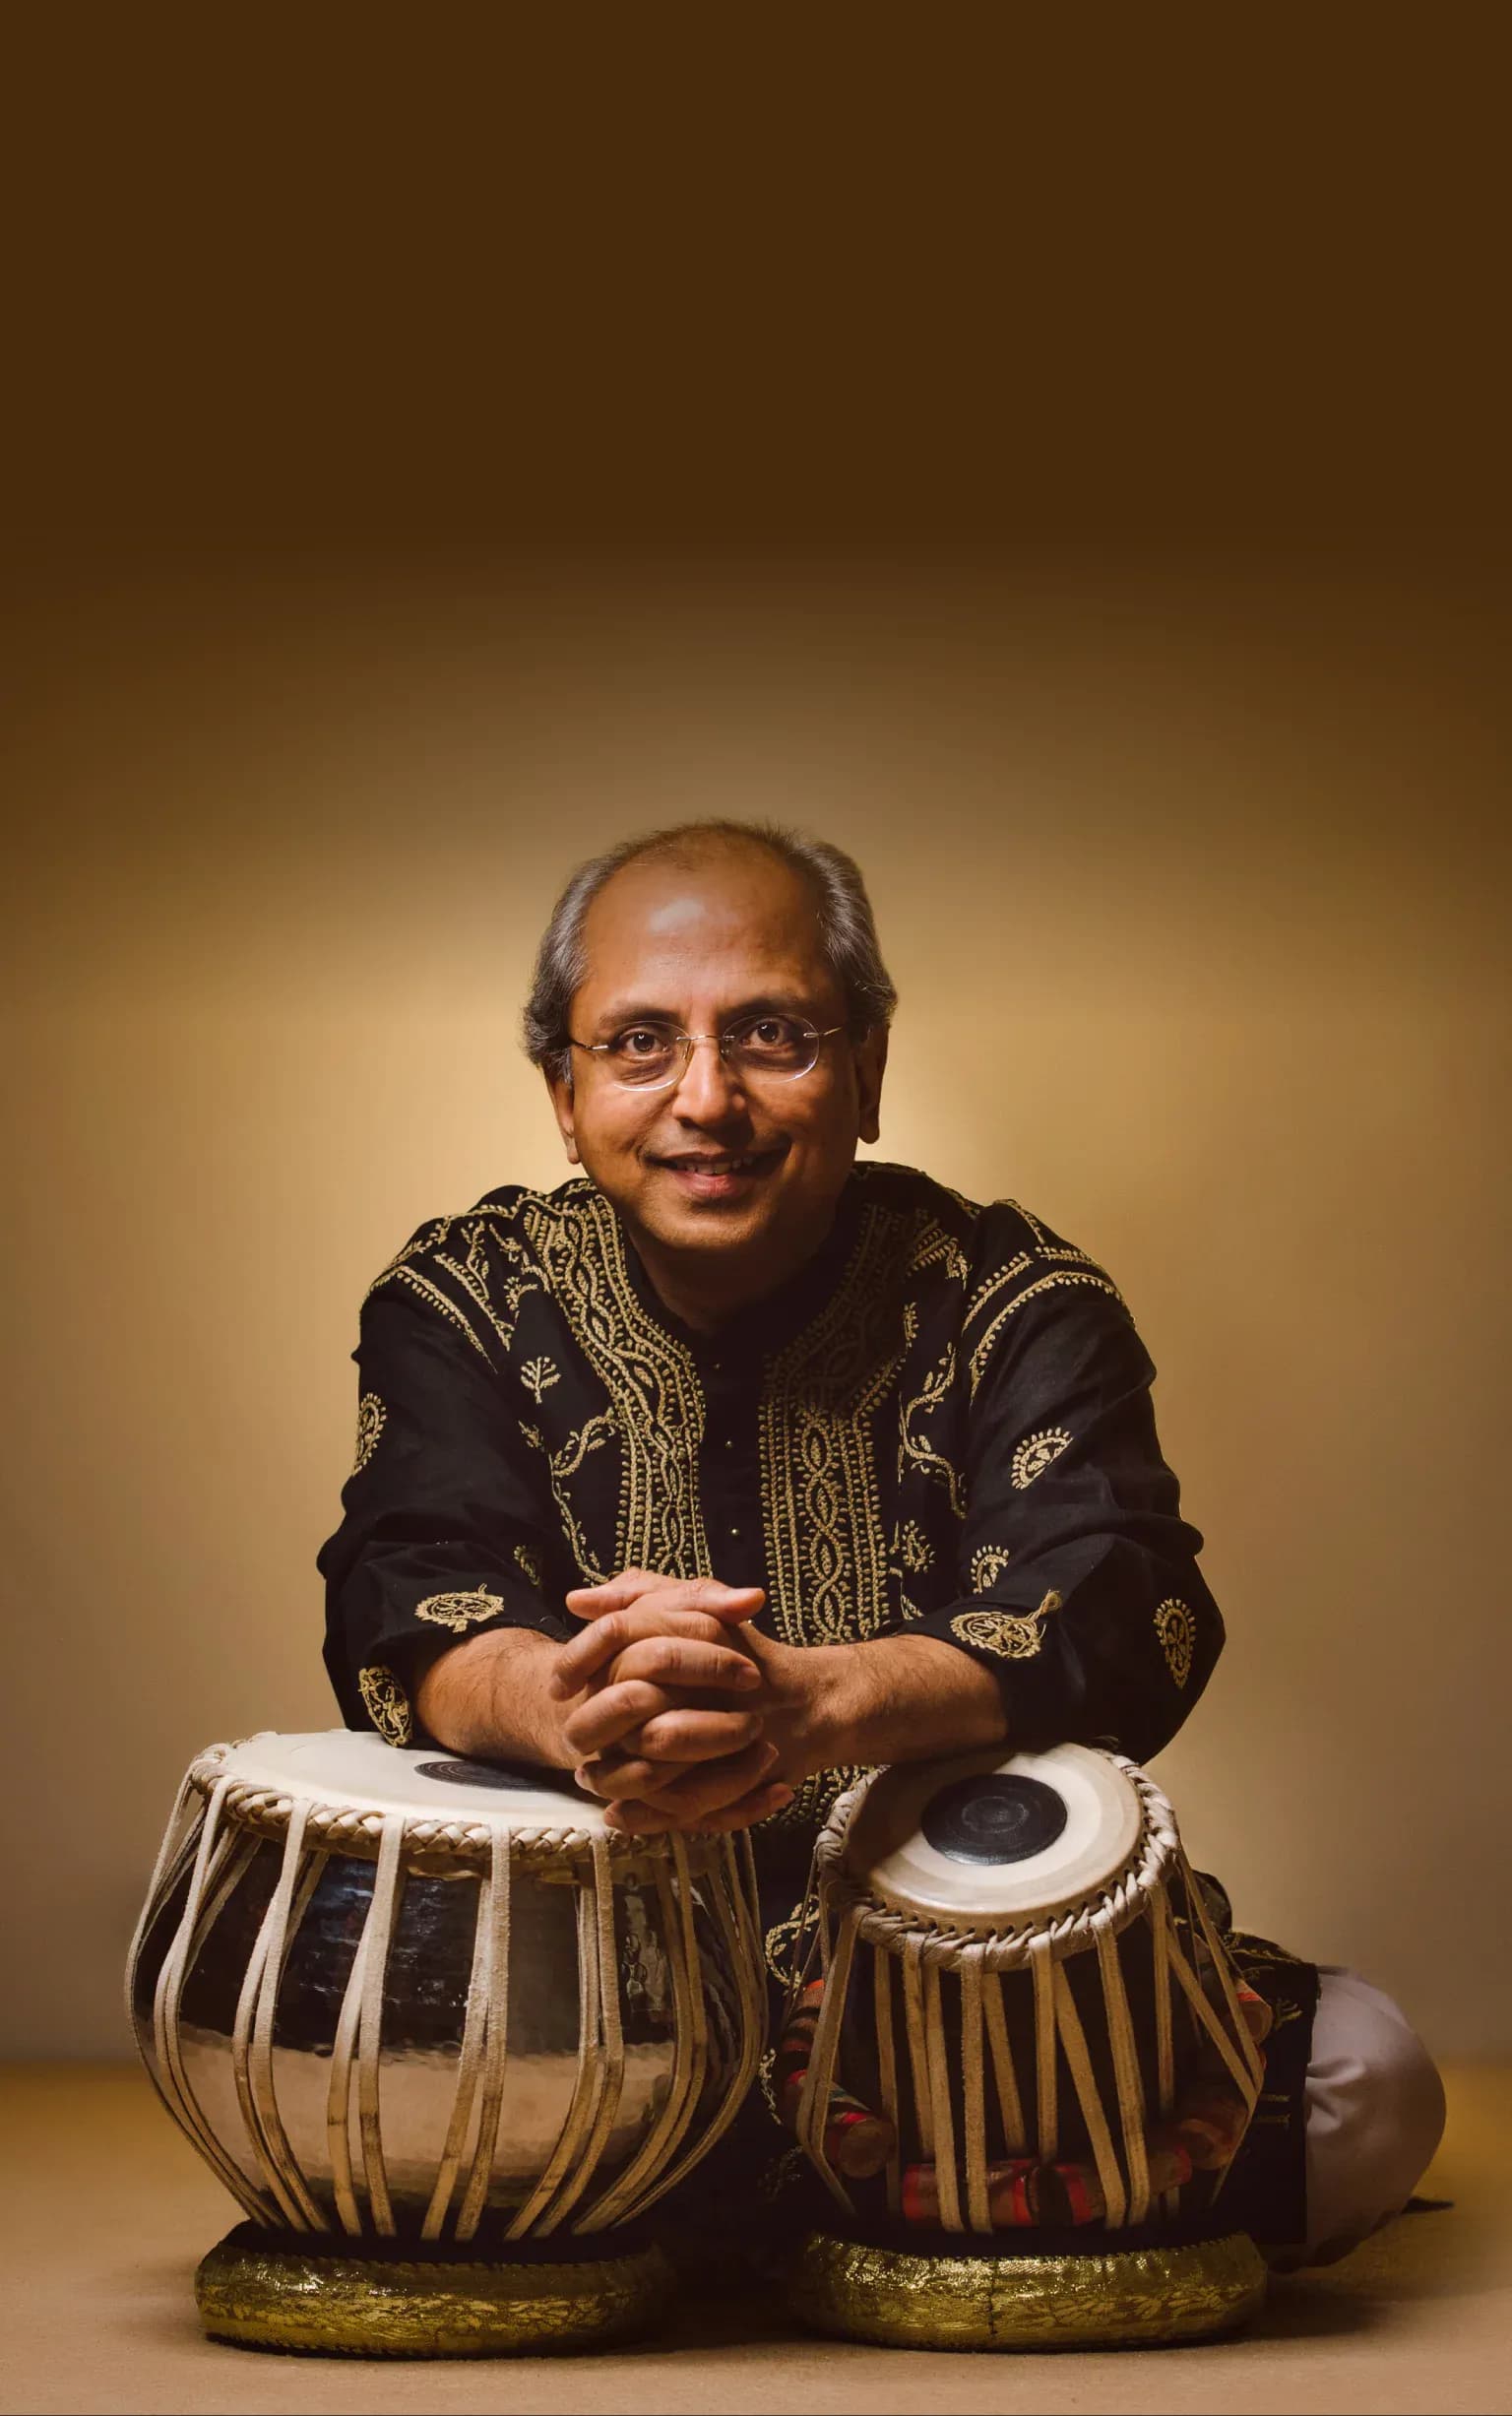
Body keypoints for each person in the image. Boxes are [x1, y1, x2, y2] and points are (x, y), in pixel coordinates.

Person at [319, 817, 1443, 2267]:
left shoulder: (1016, 1300)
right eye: (640, 1042)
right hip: (568, 1997)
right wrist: (576, 1702)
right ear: (564, 1087)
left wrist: (812, 1704)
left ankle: (713, 2207)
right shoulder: (461, 1300)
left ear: (869, 1066)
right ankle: (908, 2205)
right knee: (295, 2020)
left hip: (954, 2011)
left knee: (1369, 2080)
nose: (705, 1099)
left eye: (772, 1032)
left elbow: (1122, 1605)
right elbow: (405, 1591)